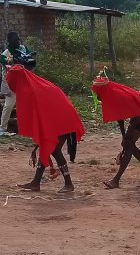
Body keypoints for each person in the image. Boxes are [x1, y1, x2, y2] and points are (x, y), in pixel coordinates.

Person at [6, 65, 85, 193]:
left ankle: (68, 184)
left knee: (54, 150)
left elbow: (42, 113)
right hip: (58, 118)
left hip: (62, 120)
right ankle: (36, 183)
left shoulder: (31, 90)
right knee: (47, 148)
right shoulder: (32, 87)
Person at [91, 72, 140, 189]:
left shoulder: (117, 95)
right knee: (127, 144)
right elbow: (120, 116)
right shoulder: (112, 94)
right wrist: (124, 136)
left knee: (128, 146)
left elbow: (137, 114)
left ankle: (116, 180)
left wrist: (127, 135)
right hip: (137, 117)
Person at [0, 32, 36, 137]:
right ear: (10, 42)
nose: (18, 42)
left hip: (23, 82)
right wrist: (14, 61)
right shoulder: (6, 54)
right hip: (10, 84)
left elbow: (30, 61)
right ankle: (2, 129)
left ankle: (30, 128)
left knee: (28, 105)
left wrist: (27, 60)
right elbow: (5, 62)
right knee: (8, 106)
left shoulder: (23, 48)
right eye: (15, 40)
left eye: (18, 39)